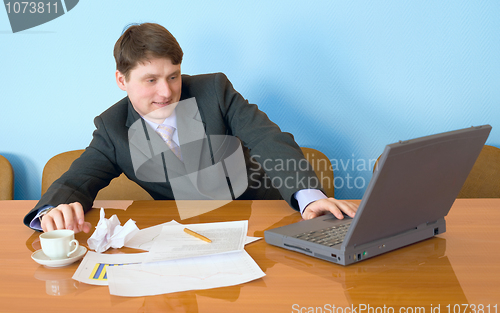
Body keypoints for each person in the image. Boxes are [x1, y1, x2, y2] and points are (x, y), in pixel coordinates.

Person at [23, 23, 357, 233]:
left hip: (264, 220)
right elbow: (78, 179)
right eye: (150, 80)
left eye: (173, 76)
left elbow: (267, 137)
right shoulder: (113, 127)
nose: (166, 91)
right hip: (188, 237)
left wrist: (308, 197)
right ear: (121, 81)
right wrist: (54, 210)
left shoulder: (213, 90)